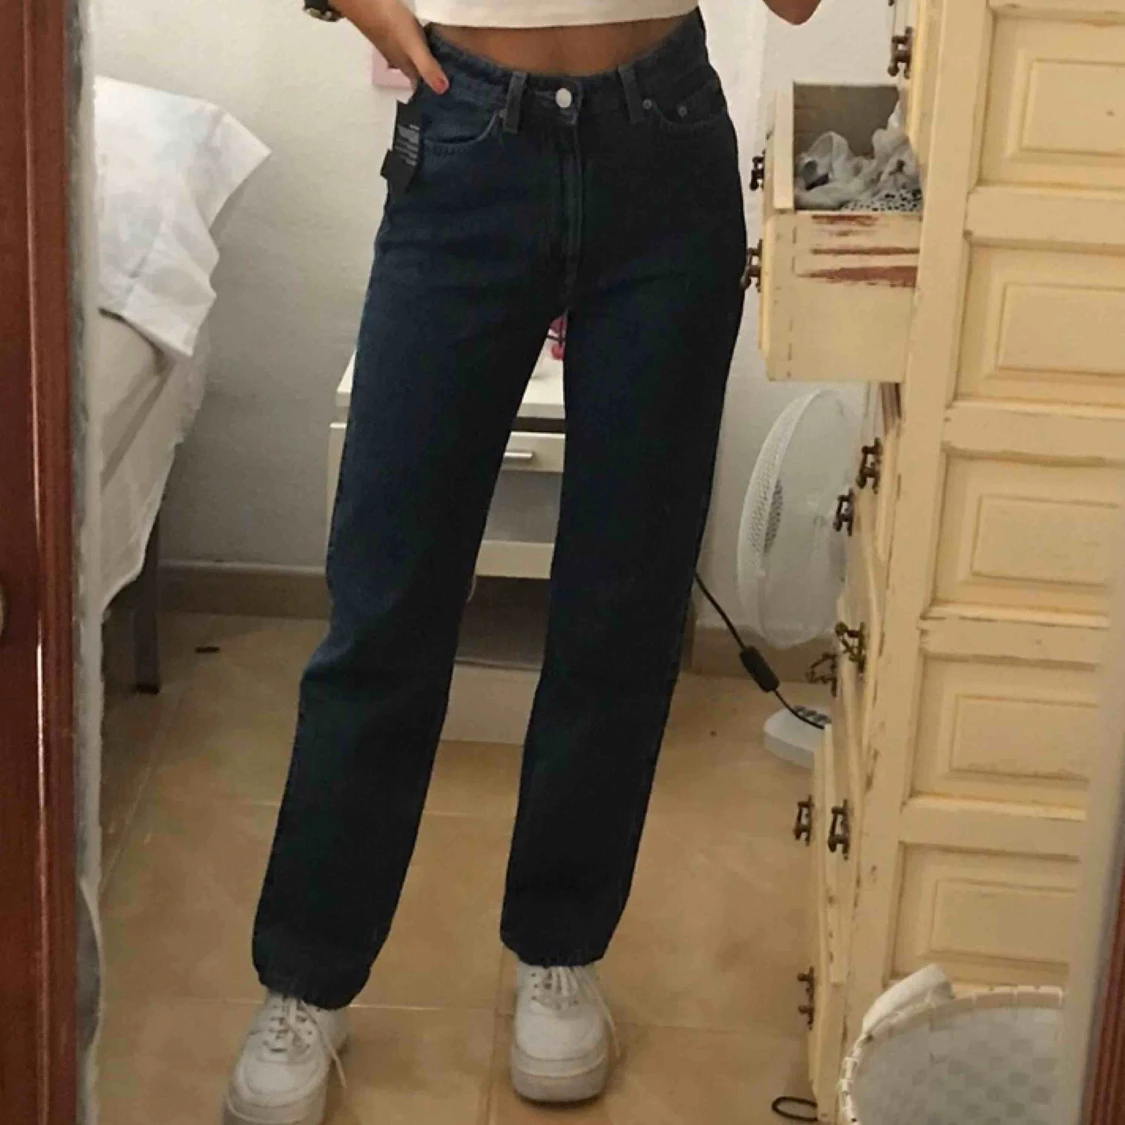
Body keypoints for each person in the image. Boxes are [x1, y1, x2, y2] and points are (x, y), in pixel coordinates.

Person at [225, 0, 819, 1118]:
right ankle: (305, 975)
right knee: (385, 602)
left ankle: (560, 949)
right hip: (465, 138)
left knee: (624, 603)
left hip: (665, 144)